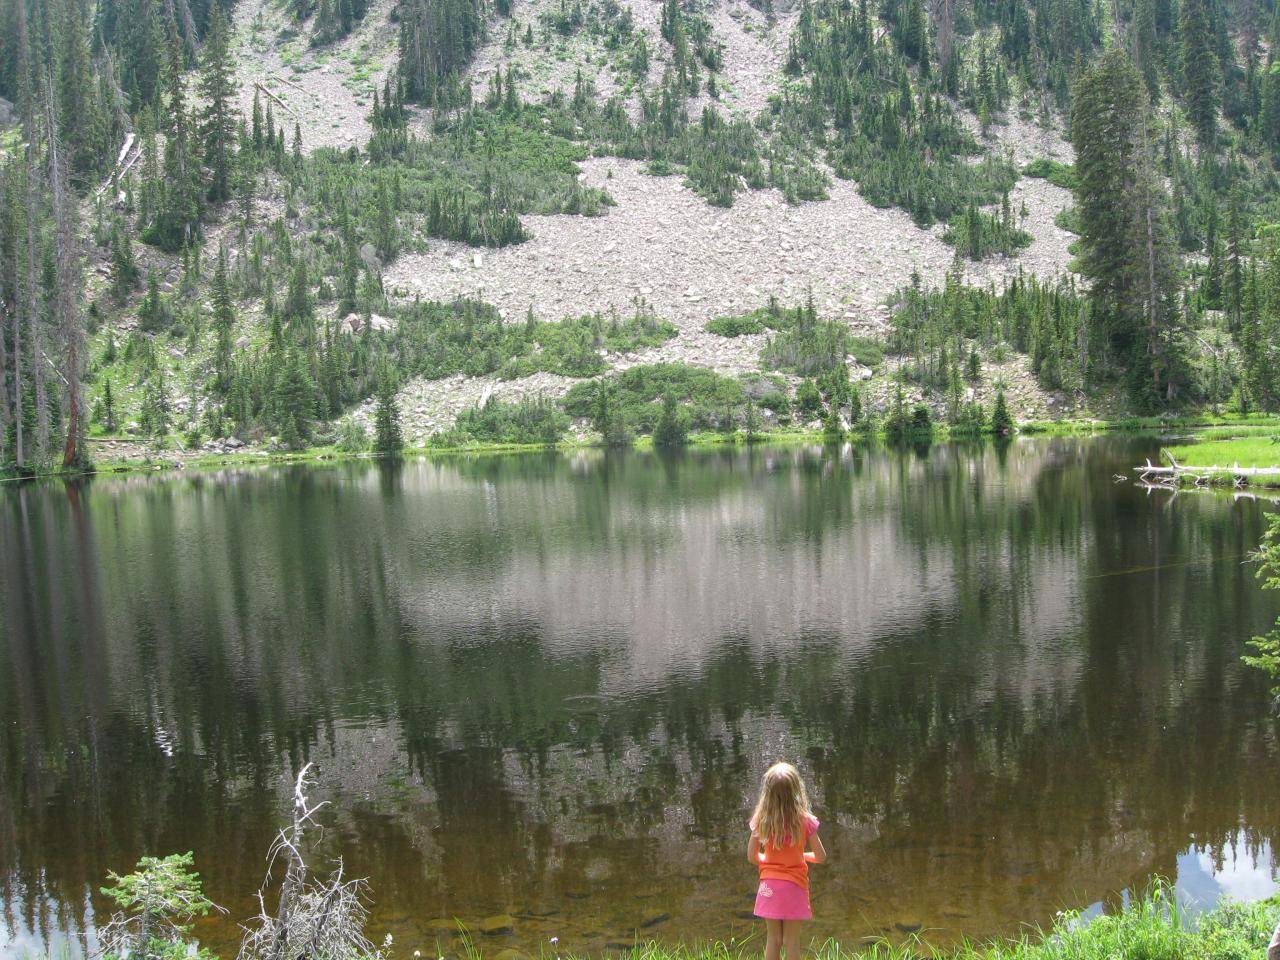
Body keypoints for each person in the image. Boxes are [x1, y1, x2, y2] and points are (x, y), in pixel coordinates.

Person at [747, 762, 826, 960]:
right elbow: (821, 857)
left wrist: (769, 861)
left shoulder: (761, 819)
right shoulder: (805, 820)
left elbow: (752, 856)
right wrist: (802, 857)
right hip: (795, 886)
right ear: (796, 790)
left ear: (767, 793)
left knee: (773, 939)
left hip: (769, 886)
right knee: (792, 941)